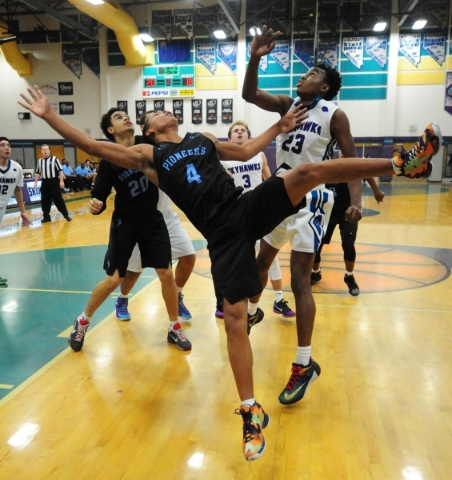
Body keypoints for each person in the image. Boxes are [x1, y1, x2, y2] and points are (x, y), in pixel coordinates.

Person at [19, 85, 440, 461]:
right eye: (155, 112)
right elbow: (92, 147)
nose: (164, 112)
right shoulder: (148, 155)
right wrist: (49, 116)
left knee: (308, 173)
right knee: (235, 321)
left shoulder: (201, 139)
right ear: (150, 128)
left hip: (244, 206)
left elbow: (243, 151)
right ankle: (250, 412)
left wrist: (279, 127)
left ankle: (403, 163)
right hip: (221, 236)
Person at [242, 26, 367, 407]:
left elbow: (351, 161)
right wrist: (255, 57)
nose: (303, 77)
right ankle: (251, 312)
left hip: (313, 197)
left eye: (312, 75)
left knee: (299, 280)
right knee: (261, 261)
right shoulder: (287, 106)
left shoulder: (335, 115)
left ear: (325, 88)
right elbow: (249, 94)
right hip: (280, 191)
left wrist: (356, 200)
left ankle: (303, 363)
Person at [68, 107, 191, 352]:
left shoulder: (148, 143)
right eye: (118, 116)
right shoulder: (109, 158)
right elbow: (99, 196)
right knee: (114, 279)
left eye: (126, 114)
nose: (125, 116)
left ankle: (173, 328)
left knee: (166, 274)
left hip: (152, 220)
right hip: (125, 222)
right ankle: (82, 321)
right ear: (110, 130)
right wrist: (96, 203)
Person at [112, 110, 196, 324]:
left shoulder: (168, 147)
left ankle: (177, 296)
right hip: (144, 218)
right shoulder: (139, 151)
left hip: (166, 215)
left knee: (188, 257)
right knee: (134, 271)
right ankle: (122, 299)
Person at [215, 120, 295, 319]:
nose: (240, 133)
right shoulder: (222, 159)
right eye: (236, 131)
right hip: (235, 213)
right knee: (232, 261)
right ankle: (222, 300)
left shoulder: (259, 155)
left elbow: (269, 182)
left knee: (270, 257)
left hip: (259, 211)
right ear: (229, 138)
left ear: (249, 137)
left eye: (243, 131)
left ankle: (278, 299)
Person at [311, 153, 385, 295]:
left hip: (348, 211)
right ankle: (316, 272)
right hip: (329, 212)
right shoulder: (329, 167)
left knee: (348, 244)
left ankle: (349, 276)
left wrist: (376, 191)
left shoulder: (353, 169)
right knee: (317, 245)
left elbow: (367, 173)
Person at [0, 136, 31, 285]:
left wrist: (22, 211)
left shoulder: (16, 168)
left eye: (8, 145)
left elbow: (18, 190)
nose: (7, 148)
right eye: (2, 145)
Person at [34, 144, 71, 223]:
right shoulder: (39, 161)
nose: (45, 151)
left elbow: (60, 171)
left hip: (54, 182)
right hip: (45, 182)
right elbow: (38, 173)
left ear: (49, 151)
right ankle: (46, 217)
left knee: (58, 199)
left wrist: (61, 181)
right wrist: (35, 182)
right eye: (43, 150)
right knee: (45, 200)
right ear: (41, 151)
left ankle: (66, 215)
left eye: (46, 149)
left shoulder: (54, 159)